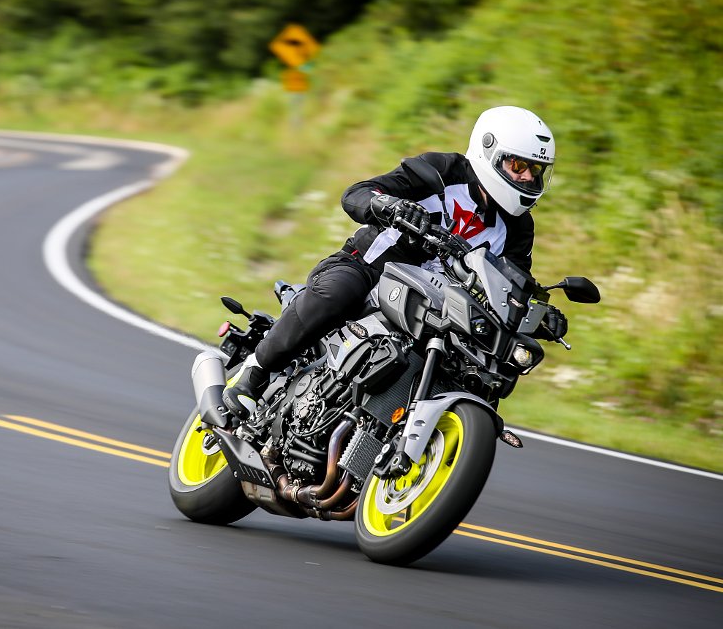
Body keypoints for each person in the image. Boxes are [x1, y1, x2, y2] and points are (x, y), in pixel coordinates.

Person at [222, 105, 569, 419]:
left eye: (536, 170)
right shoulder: (442, 171)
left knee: (482, 363)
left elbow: (514, 283)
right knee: (338, 293)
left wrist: (538, 314)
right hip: (370, 270)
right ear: (488, 151)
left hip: (435, 305)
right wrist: (390, 207)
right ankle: (254, 372)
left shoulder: (518, 228)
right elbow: (356, 194)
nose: (527, 178)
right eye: (518, 165)